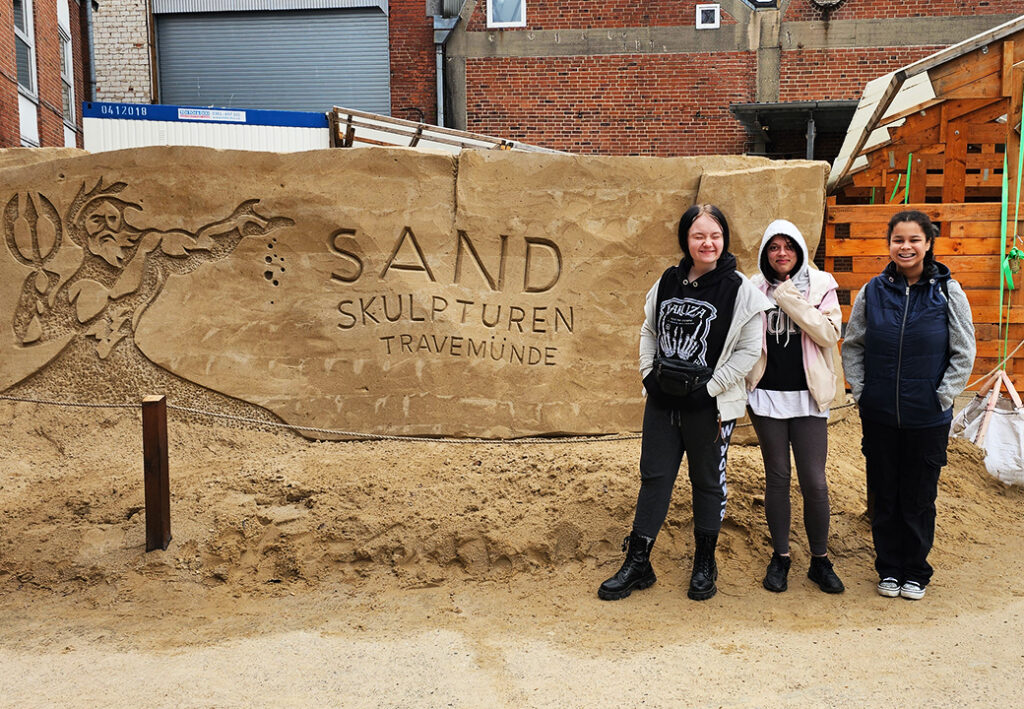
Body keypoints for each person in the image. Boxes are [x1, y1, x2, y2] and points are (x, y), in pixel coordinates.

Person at [598, 204, 770, 602]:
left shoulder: (739, 289)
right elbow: (648, 329)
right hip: (663, 400)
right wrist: (647, 375)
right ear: (686, 240)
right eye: (698, 235)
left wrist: (709, 388)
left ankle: (704, 563)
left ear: (724, 238)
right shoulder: (669, 281)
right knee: (654, 477)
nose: (707, 243)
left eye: (714, 235)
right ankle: (639, 563)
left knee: (707, 483)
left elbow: (749, 350)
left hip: (708, 405)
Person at [842, 210, 975, 601]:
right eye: (899, 240)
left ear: (928, 244)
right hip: (880, 412)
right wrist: (862, 391)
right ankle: (888, 568)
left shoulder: (948, 291)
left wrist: (944, 394)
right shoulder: (872, 291)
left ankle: (915, 570)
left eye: (914, 240)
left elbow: (964, 350)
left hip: (926, 416)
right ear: (890, 245)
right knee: (884, 493)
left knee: (918, 497)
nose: (906, 247)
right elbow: (854, 344)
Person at [745, 220, 845, 594]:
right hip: (766, 396)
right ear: (765, 253)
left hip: (809, 397)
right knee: (778, 479)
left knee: (815, 483)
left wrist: (787, 296)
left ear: (801, 250)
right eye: (774, 247)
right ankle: (781, 556)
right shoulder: (752, 288)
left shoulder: (822, 285)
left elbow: (828, 333)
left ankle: (820, 560)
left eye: (789, 246)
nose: (782, 253)